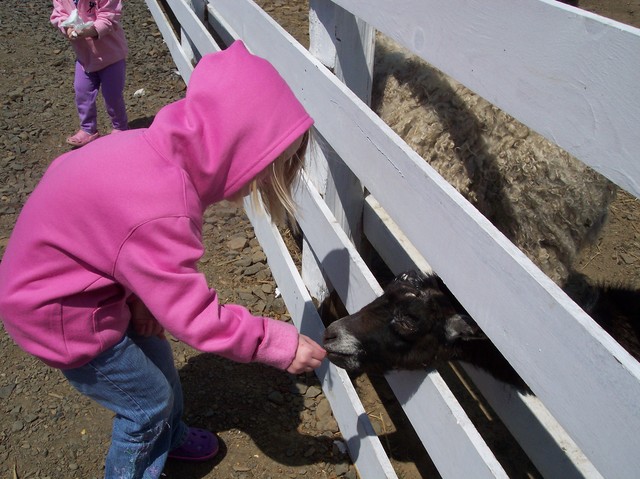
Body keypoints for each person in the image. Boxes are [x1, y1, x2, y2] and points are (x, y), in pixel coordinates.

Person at [0, 40, 325, 478]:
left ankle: (168, 440)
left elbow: (110, 237)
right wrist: (276, 343)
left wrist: (139, 299)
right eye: (263, 169)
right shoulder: (163, 207)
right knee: (147, 405)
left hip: (77, 281)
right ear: (236, 147)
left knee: (158, 365)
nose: (253, 186)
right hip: (59, 313)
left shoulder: (148, 149)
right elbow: (195, 317)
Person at [51, 0, 129, 147]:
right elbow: (58, 15)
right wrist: (66, 27)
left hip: (111, 55)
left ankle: (120, 127)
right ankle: (88, 129)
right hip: (85, 58)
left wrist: (89, 30)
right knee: (82, 93)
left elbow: (109, 16)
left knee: (112, 95)